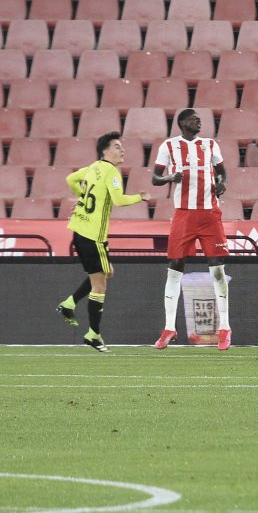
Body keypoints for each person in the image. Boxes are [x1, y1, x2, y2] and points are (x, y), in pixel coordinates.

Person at [56, 132, 150, 353]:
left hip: (79, 229)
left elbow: (70, 180)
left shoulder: (93, 167)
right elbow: (118, 200)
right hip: (93, 236)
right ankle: (93, 334)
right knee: (100, 285)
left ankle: (69, 304)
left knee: (107, 272)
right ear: (105, 151)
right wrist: (140, 197)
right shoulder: (111, 172)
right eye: (117, 146)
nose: (122, 150)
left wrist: (81, 197)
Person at [151, 109, 232, 351]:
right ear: (183, 123)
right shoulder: (168, 146)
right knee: (174, 269)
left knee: (217, 270)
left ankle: (225, 328)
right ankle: (169, 327)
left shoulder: (209, 144)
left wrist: (222, 183)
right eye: (194, 118)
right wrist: (169, 178)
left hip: (209, 214)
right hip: (183, 214)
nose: (199, 120)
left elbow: (222, 171)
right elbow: (155, 178)